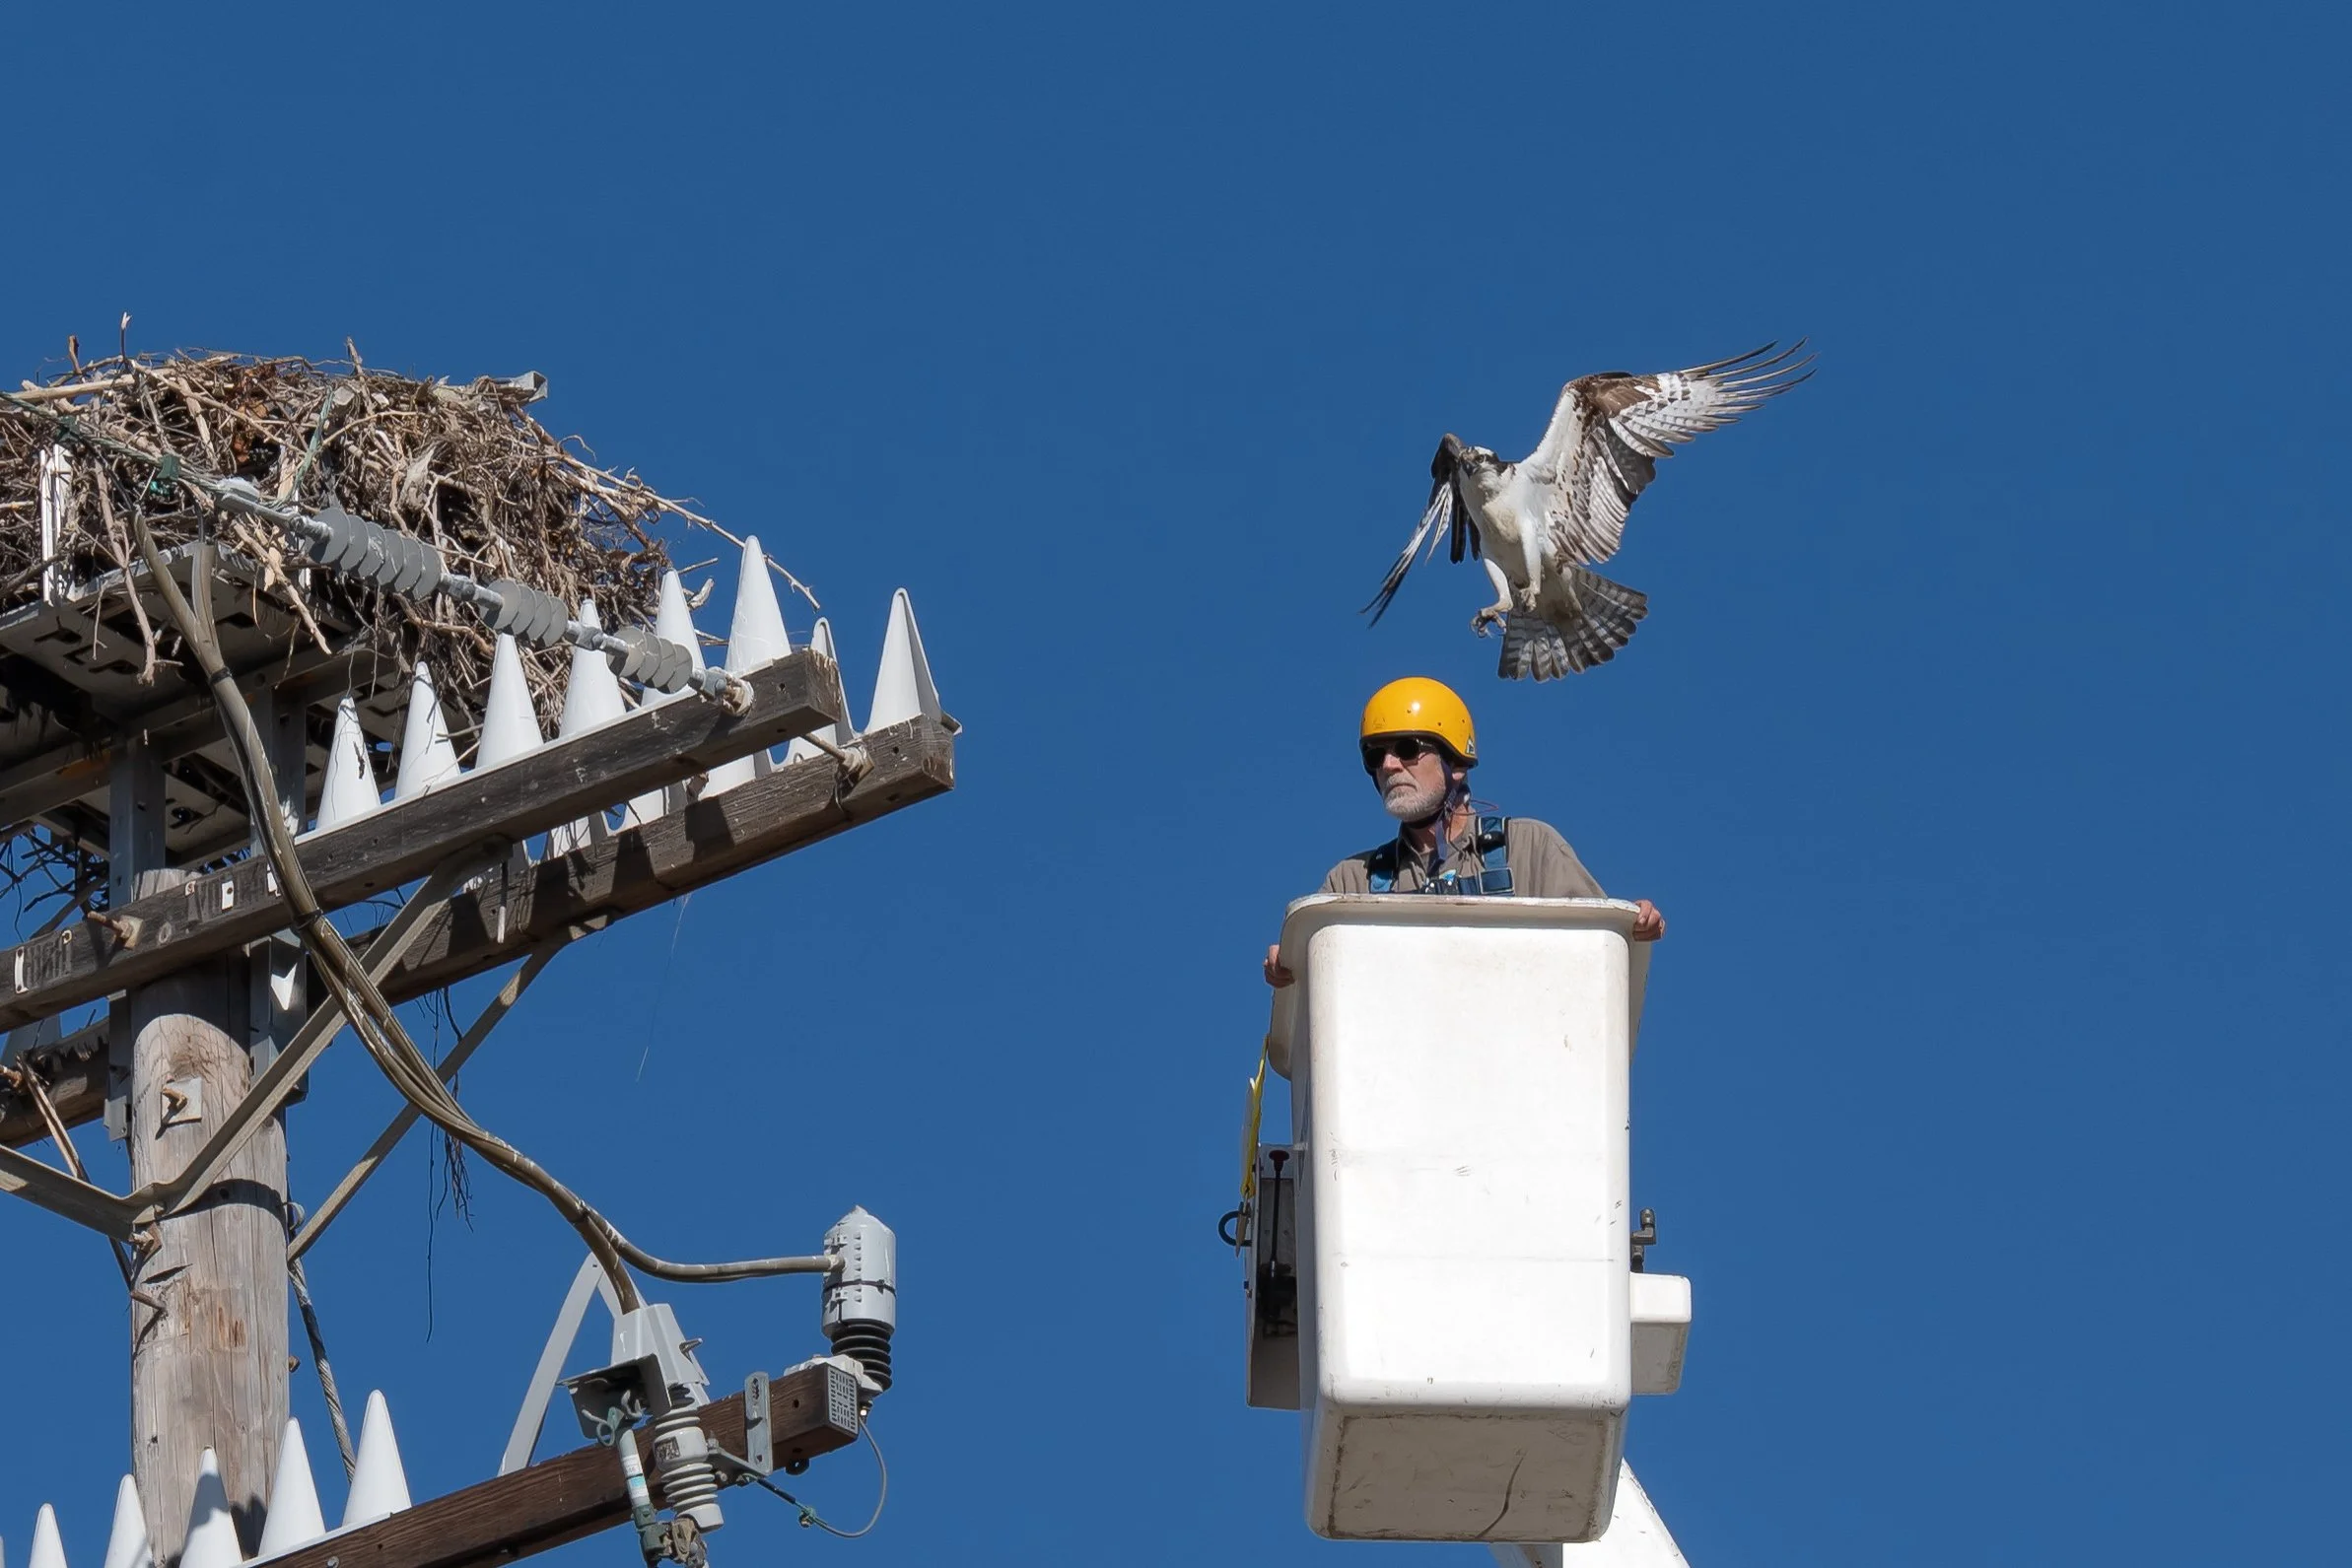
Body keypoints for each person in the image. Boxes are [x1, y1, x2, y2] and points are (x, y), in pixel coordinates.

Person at [1264, 676, 1665, 987]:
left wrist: (1634, 928)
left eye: (1407, 748)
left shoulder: (1528, 848)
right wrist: (1292, 967)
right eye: (1375, 754)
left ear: (1455, 761)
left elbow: (1598, 956)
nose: (1388, 765)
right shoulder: (1353, 880)